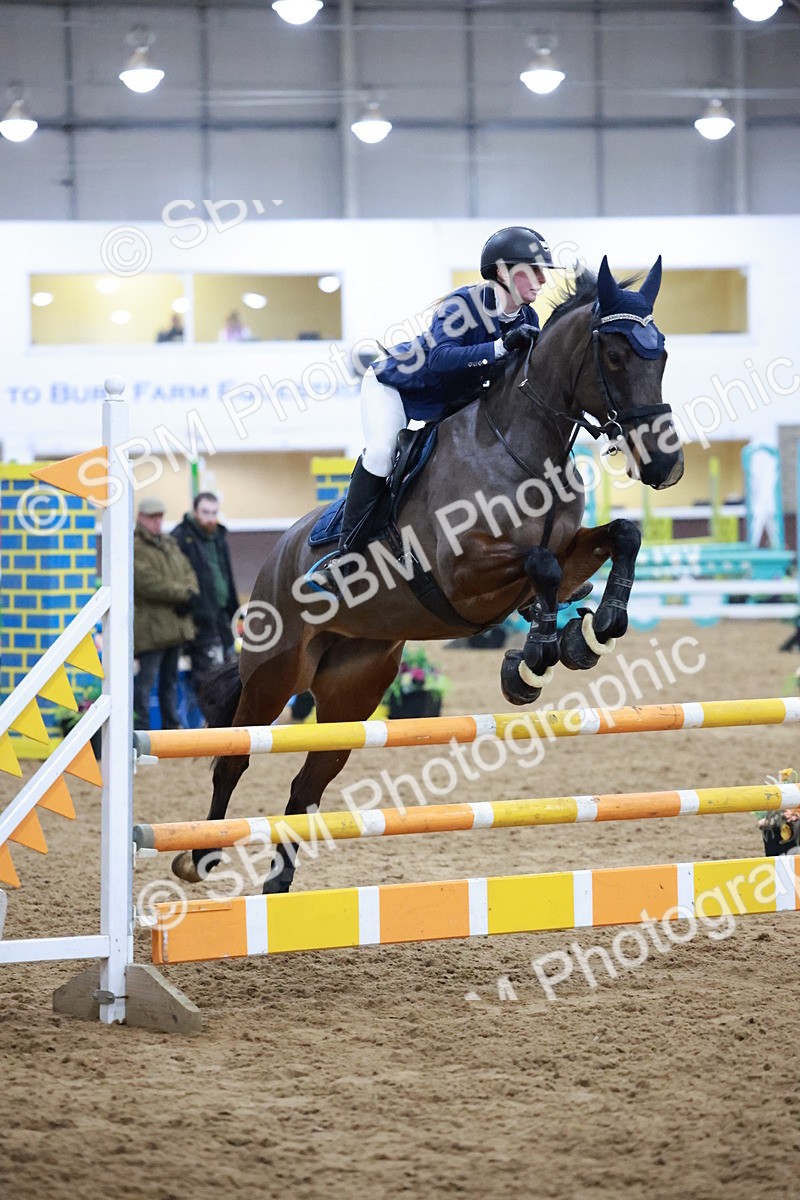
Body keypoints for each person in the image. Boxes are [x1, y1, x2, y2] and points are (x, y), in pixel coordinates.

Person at [315, 226, 553, 592]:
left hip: (450, 405)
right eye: (532, 270)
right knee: (381, 454)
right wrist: (500, 348)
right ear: (502, 272)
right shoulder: (465, 305)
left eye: (542, 271)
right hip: (398, 387)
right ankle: (345, 557)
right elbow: (441, 358)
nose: (542, 279)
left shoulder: (528, 320)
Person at [133, 497, 199, 731]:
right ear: (140, 518)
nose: (157, 522)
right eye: (152, 517)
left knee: (169, 681)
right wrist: (185, 594)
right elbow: (148, 583)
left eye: (160, 517)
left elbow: (188, 571)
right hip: (151, 628)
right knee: (145, 683)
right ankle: (140, 729)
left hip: (174, 625)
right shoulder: (135, 547)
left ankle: (171, 727)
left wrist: (190, 591)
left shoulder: (169, 544)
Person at [172, 492, 240, 715]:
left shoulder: (218, 536)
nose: (210, 518)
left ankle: (227, 721)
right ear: (194, 512)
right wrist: (191, 611)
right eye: (205, 512)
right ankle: (212, 723)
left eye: (214, 513)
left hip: (223, 618)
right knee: (208, 678)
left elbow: (227, 576)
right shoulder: (180, 538)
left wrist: (234, 611)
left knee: (231, 673)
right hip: (199, 621)